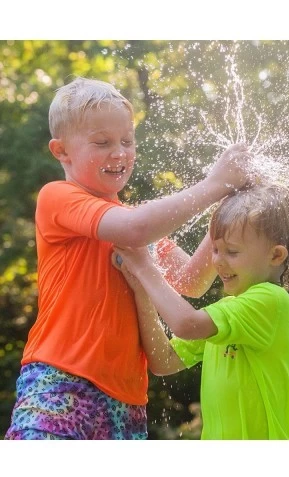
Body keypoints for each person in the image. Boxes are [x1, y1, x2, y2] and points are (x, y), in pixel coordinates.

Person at [4, 76, 254, 440]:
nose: (119, 152)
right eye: (102, 143)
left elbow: (192, 281)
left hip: (126, 400)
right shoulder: (58, 197)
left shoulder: (137, 227)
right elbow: (134, 228)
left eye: (127, 141)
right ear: (61, 151)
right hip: (60, 378)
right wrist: (216, 183)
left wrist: (227, 202)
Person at [113, 182, 289, 440]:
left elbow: (186, 324)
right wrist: (142, 293)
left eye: (232, 251)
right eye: (215, 249)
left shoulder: (272, 302)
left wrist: (145, 268)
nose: (217, 261)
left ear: (276, 255)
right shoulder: (227, 311)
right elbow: (164, 360)